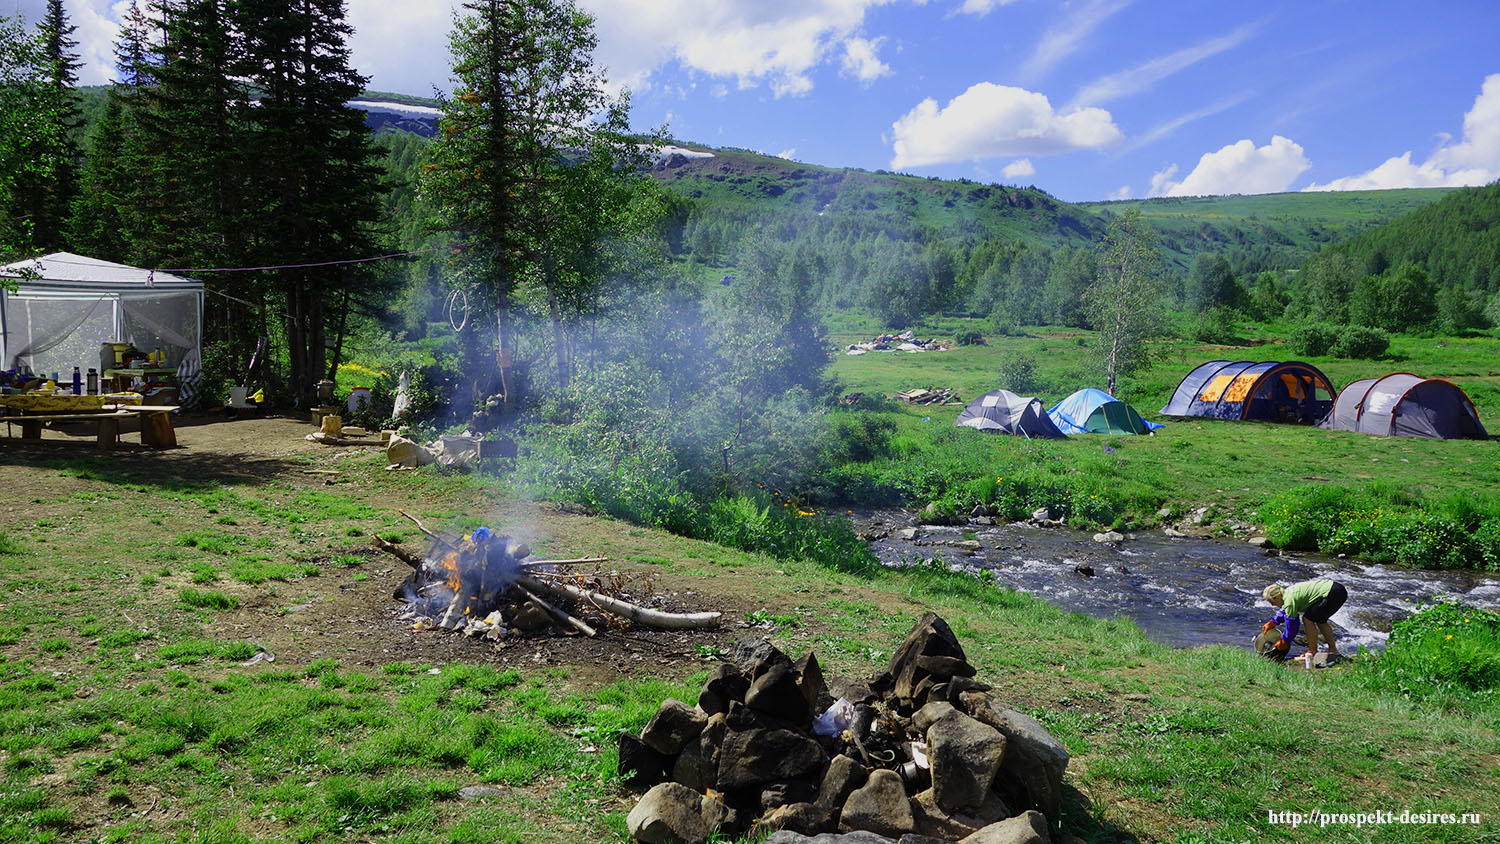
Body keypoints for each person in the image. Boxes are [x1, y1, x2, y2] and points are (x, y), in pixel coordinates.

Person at [1262, 579, 1348, 660]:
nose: (1272, 605)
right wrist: (1273, 622)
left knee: (1308, 619)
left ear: (1277, 598)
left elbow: (1292, 627)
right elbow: (1285, 611)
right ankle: (1332, 650)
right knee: (1320, 620)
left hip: (1332, 593)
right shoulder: (1287, 593)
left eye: (1271, 602)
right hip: (1336, 589)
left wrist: (1284, 641)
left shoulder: (1289, 602)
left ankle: (1313, 652)